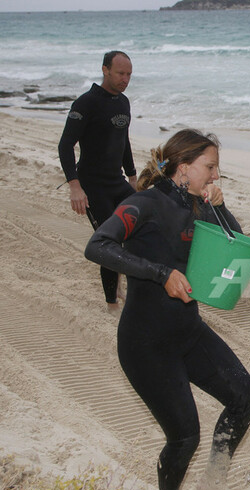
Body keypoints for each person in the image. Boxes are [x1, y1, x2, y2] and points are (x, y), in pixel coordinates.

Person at [84, 129, 250, 490]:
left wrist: (221, 207)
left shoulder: (200, 205)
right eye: (210, 167)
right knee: (185, 436)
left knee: (246, 397)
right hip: (145, 344)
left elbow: (239, 253)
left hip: (187, 331)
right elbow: (97, 245)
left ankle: (213, 480)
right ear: (184, 168)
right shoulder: (145, 203)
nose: (215, 176)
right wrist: (160, 272)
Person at [59, 50, 137, 312]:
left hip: (117, 182)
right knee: (109, 241)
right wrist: (75, 186)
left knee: (141, 226)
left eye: (129, 74)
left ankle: (122, 284)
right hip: (92, 185)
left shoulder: (124, 102)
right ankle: (112, 304)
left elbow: (123, 141)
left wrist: (133, 177)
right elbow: (65, 145)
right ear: (105, 70)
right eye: (120, 73)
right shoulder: (86, 103)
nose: (125, 79)